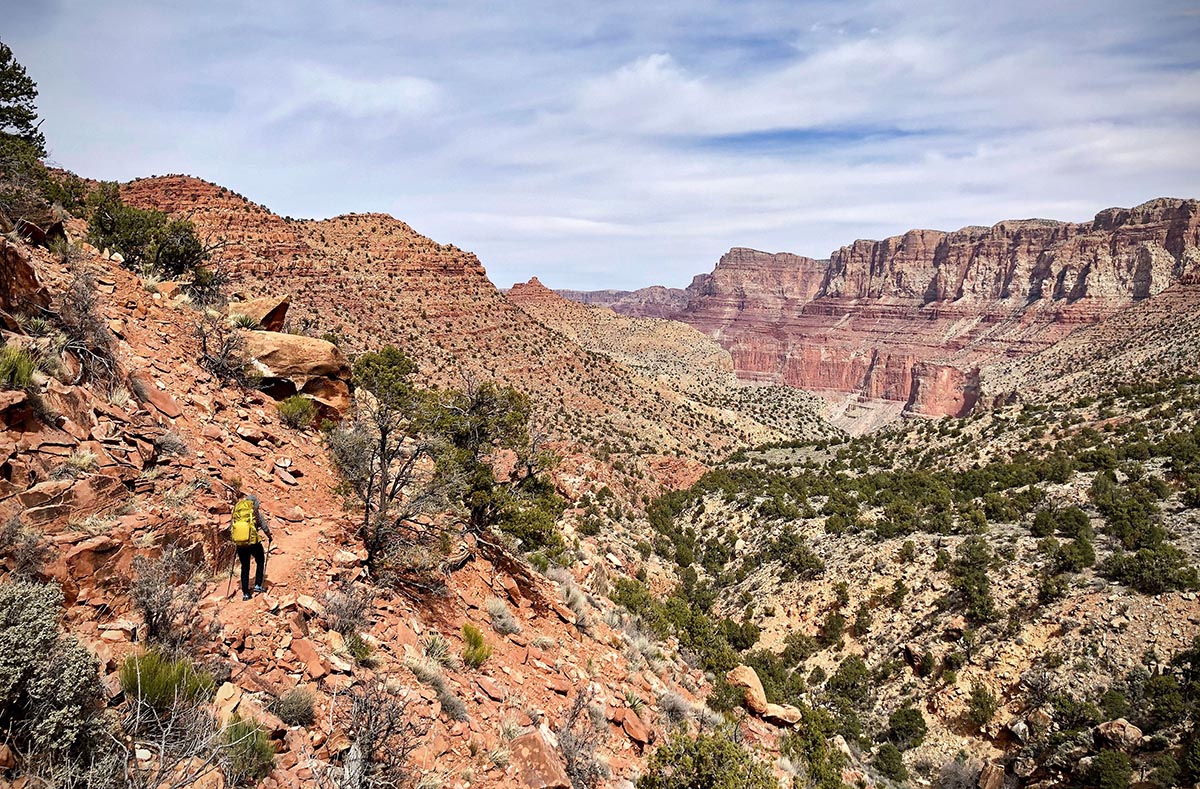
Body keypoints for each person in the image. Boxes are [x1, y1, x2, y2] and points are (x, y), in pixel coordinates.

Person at [230, 491, 273, 600]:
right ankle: (258, 585)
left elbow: (233, 527)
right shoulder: (255, 512)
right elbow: (264, 526)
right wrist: (269, 536)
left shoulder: (238, 512)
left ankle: (245, 594)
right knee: (260, 559)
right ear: (255, 503)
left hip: (240, 544)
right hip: (253, 543)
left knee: (245, 567)